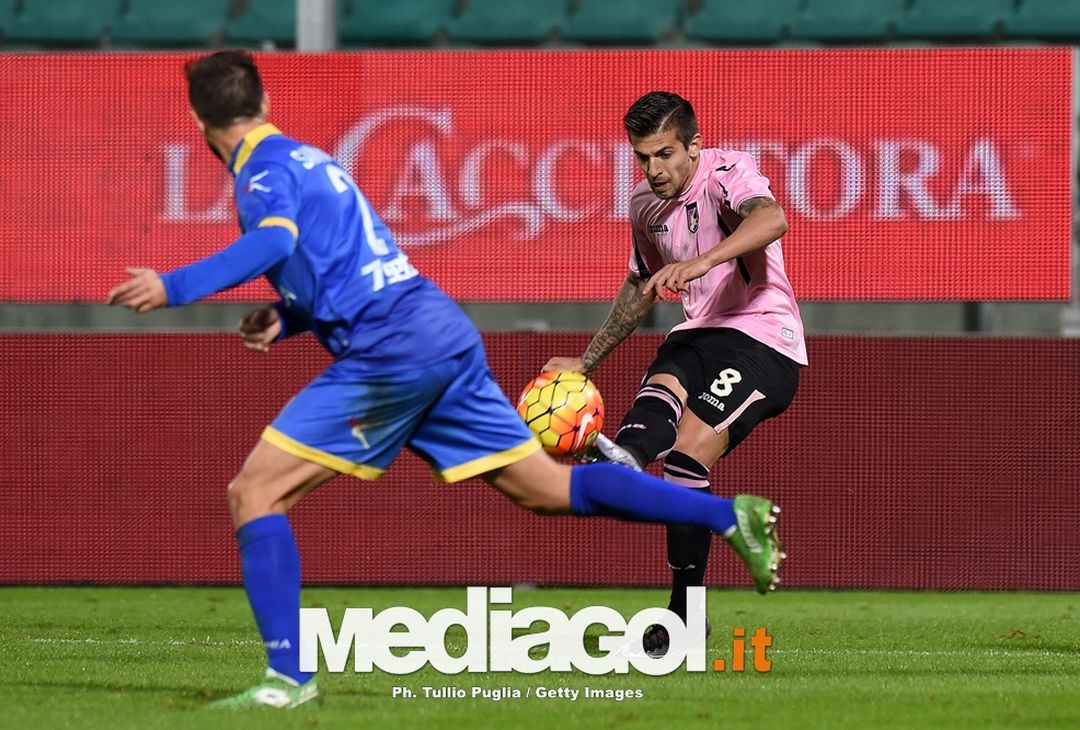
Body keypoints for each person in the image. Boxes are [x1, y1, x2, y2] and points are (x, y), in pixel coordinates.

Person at [107, 54, 783, 709]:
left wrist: (172, 284)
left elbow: (276, 241)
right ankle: (730, 517)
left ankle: (287, 680)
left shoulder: (260, 177)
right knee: (547, 489)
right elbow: (354, 268)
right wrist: (286, 321)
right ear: (265, 105)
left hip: (390, 353)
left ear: (201, 126)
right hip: (437, 332)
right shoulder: (313, 161)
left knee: (254, 492)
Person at [544, 91, 806, 657]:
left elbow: (772, 217)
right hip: (700, 334)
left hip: (765, 339)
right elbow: (641, 288)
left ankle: (683, 602)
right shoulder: (643, 205)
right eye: (642, 157)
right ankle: (626, 465)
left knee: (687, 454)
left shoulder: (726, 172)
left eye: (664, 154)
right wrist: (585, 363)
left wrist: (703, 261)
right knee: (660, 392)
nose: (653, 169)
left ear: (694, 145)